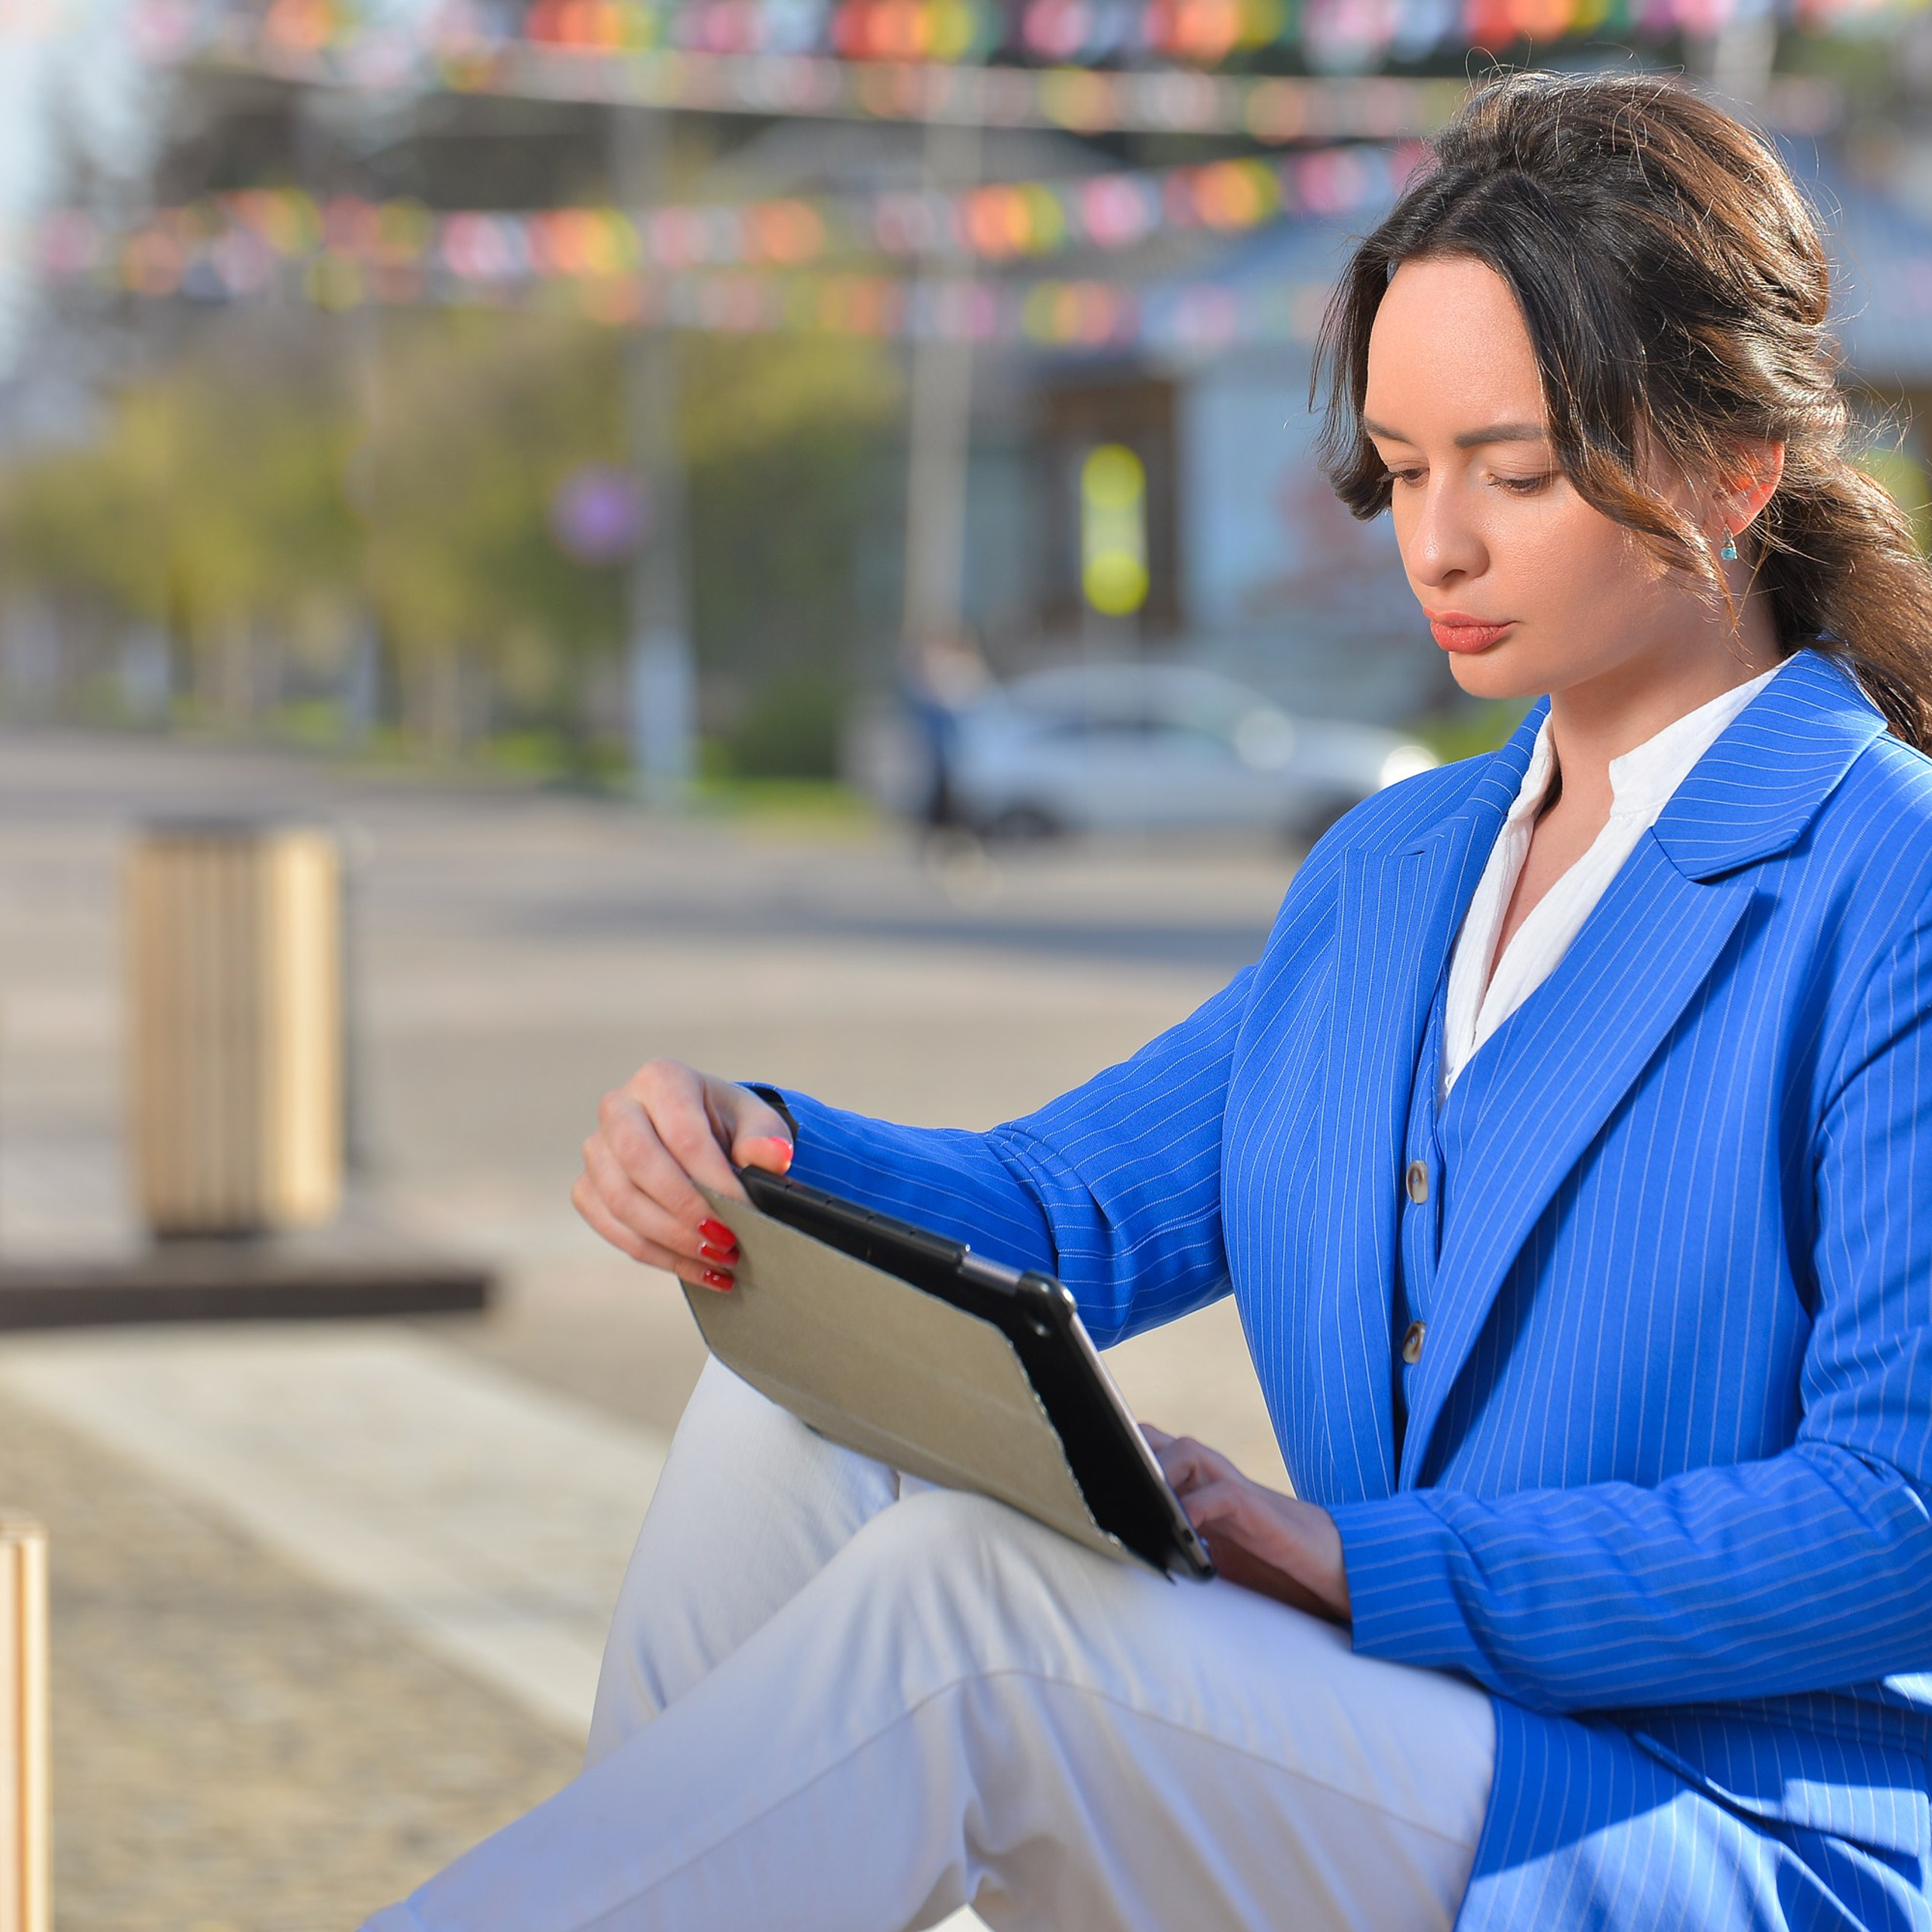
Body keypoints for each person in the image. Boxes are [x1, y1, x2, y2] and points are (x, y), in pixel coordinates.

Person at [365, 70, 1932, 1932]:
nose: (1434, 544)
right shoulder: (1390, 872)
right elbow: (1067, 1212)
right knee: (796, 1409)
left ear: (1732, 468)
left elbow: (1895, 1511)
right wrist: (756, 1154)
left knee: (972, 1614)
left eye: (1510, 471)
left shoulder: (1880, 873)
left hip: (1714, 1826)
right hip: (1383, 1729)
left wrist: (1360, 1560)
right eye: (1401, 469)